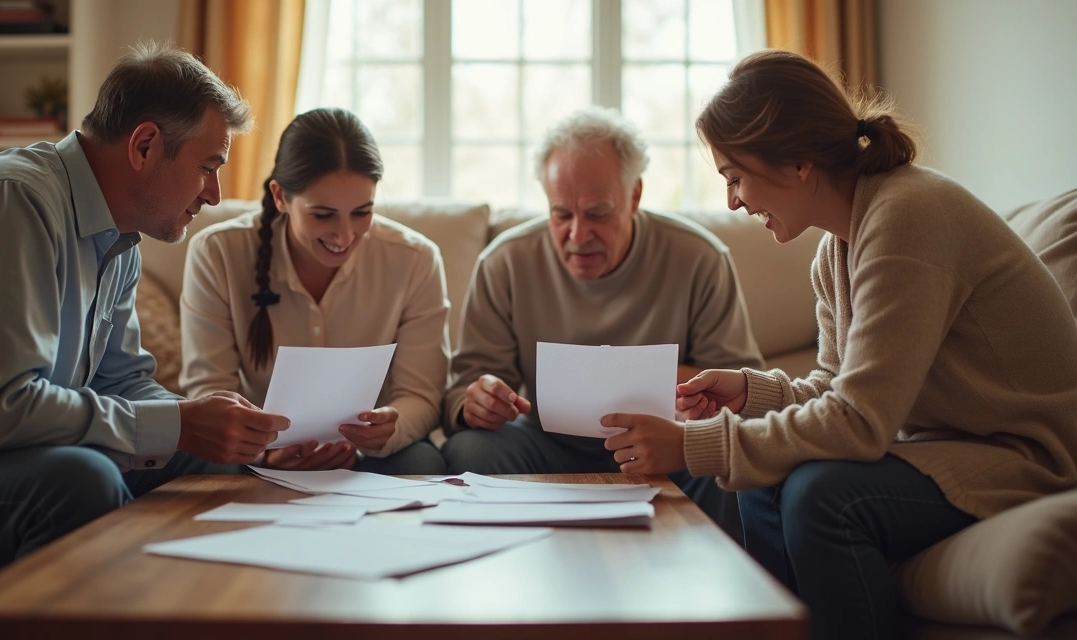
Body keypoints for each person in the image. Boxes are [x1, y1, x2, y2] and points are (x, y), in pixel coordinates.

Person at [601, 50, 1077, 639]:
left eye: (735, 177)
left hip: (1026, 455)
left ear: (799, 163)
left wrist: (695, 445)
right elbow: (834, 385)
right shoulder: (837, 248)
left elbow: (859, 422)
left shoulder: (909, 216)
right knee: (764, 481)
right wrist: (748, 391)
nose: (734, 202)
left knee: (823, 495)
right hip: (943, 446)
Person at [0, 42, 287, 590]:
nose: (215, 194)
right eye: (209, 167)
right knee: (81, 481)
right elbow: (1, 411)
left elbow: (123, 381)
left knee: (219, 460)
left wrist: (229, 430)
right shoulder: (12, 200)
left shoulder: (122, 238)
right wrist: (180, 423)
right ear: (145, 144)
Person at [441, 107, 764, 537]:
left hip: (664, 446)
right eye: (561, 214)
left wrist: (663, 391)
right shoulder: (504, 262)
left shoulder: (700, 258)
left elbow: (744, 390)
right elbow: (464, 386)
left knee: (724, 459)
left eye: (597, 213)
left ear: (634, 196)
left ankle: (715, 592)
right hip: (545, 445)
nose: (577, 235)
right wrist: (476, 402)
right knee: (472, 449)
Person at [180, 108, 450, 475]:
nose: (344, 236)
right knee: (208, 468)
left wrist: (388, 428)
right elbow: (210, 391)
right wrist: (262, 453)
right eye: (322, 215)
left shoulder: (416, 260)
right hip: (256, 451)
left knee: (423, 460)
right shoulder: (218, 253)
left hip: (370, 455)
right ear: (280, 196)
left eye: (362, 212)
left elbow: (421, 395)